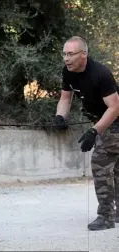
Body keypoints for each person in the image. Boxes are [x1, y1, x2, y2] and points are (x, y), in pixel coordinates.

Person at [53, 36, 119, 230]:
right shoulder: (68, 71)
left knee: (100, 163)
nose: (66, 58)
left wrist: (94, 131)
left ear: (84, 54)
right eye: (64, 54)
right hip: (103, 120)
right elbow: (66, 98)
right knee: (116, 169)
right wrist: (60, 116)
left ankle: (106, 217)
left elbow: (114, 108)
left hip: (115, 121)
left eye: (71, 54)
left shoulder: (100, 74)